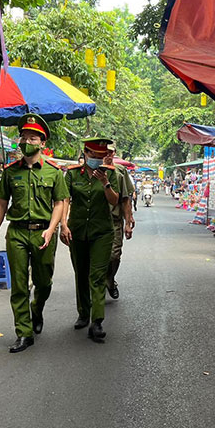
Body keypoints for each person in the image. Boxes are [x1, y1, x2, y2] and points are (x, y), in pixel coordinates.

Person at [0, 114, 68, 353]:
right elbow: (1, 204)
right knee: (19, 285)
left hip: (43, 233)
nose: (27, 141)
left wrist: (52, 230)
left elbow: (59, 203)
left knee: (44, 282)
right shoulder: (10, 172)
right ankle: (24, 332)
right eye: (24, 137)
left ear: (43, 143)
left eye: (33, 137)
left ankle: (37, 308)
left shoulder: (53, 172)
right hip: (17, 233)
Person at [60, 138, 122, 342]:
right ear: (85, 153)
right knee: (81, 273)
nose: (96, 159)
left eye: (99, 156)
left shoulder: (110, 173)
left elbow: (115, 201)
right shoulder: (72, 174)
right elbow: (65, 199)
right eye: (93, 155)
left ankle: (97, 321)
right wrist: (63, 224)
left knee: (97, 275)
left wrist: (105, 183)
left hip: (102, 232)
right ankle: (83, 313)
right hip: (77, 231)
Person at [104, 148, 135, 300]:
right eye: (104, 152)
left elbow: (126, 199)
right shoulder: (89, 171)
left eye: (111, 152)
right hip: (94, 221)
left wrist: (128, 221)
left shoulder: (119, 172)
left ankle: (109, 279)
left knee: (114, 256)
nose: (108, 155)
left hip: (114, 220)